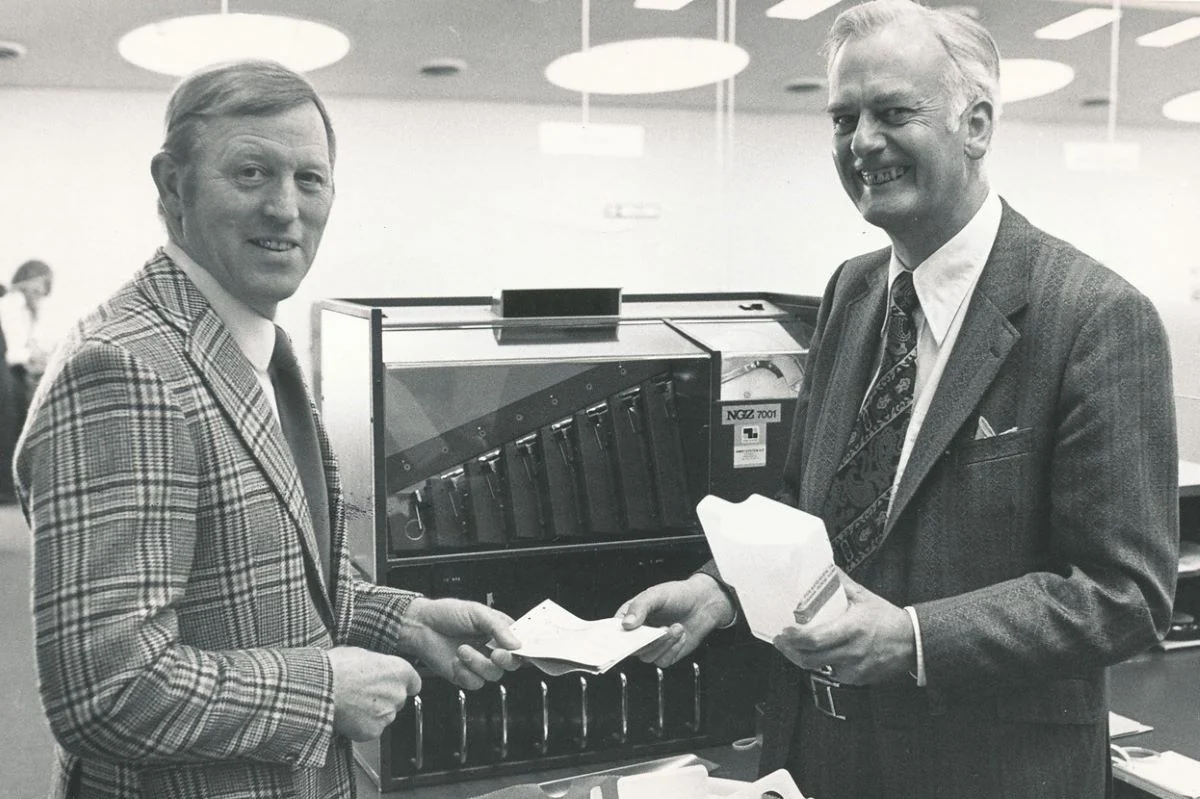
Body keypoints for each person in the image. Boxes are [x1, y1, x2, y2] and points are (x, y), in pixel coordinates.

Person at [618, 2, 1179, 797]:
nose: (862, 143)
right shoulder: (853, 293)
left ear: (976, 125)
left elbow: (1123, 595)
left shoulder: (1092, 317)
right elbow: (804, 503)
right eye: (844, 118)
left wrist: (913, 639)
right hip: (813, 752)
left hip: (986, 772)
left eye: (892, 112)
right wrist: (722, 588)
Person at [14, 59, 521, 799]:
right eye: (251, 173)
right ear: (172, 186)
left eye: (310, 180)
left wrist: (404, 619)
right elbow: (107, 689)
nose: (286, 208)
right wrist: (323, 691)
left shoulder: (258, 347)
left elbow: (287, 578)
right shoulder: (124, 368)